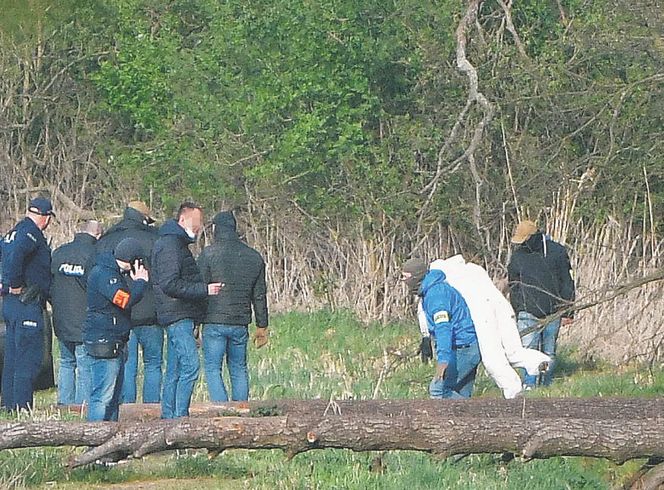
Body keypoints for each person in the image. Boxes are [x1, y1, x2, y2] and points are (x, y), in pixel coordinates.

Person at [418, 256, 551, 399]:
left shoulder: (438, 286)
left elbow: (434, 318)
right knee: (513, 350)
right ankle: (539, 362)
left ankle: (515, 394)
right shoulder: (473, 270)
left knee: (492, 360)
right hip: (501, 306)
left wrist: (427, 336)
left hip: (483, 317)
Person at [152, 203, 221, 418]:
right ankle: (180, 418)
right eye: (196, 223)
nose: (199, 228)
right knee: (191, 367)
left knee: (175, 369)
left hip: (179, 314)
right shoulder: (171, 246)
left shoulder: (175, 244)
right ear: (183, 220)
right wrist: (204, 290)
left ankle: (169, 418)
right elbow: (170, 283)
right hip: (177, 315)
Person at [198, 211, 269, 402]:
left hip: (214, 321)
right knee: (238, 368)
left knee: (213, 368)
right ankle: (241, 411)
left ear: (215, 229)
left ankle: (222, 412)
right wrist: (262, 325)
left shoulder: (208, 254)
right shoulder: (254, 257)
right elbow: (260, 295)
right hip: (240, 323)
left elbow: (200, 291)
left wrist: (196, 323)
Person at [96, 201, 162, 403]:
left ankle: (128, 409)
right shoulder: (156, 239)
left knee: (127, 363)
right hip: (151, 313)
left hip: (120, 312)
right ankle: (151, 408)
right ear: (144, 219)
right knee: (153, 363)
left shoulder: (106, 240)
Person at [84, 237, 148, 421]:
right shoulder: (105, 275)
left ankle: (110, 441)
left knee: (114, 399)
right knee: (102, 397)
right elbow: (124, 301)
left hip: (116, 341)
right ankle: (94, 439)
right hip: (105, 341)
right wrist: (140, 283)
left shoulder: (114, 273)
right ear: (133, 261)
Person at [1, 197, 54, 411]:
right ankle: (22, 408)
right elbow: (16, 256)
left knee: (13, 358)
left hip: (12, 304)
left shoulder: (12, 233)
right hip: (26, 302)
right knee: (27, 358)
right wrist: (13, 283)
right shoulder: (29, 234)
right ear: (45, 217)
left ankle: (9, 404)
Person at [508, 220, 575, 388]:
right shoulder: (517, 257)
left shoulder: (557, 252)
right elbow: (514, 286)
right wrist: (519, 309)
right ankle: (529, 385)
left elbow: (567, 282)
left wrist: (567, 311)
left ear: (533, 237)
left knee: (548, 353)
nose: (522, 244)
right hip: (526, 313)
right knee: (528, 352)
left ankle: (545, 384)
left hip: (554, 312)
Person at [402, 257, 480, 399]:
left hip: (463, 349)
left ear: (417, 276)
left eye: (405, 277)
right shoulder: (432, 289)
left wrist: (443, 361)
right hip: (469, 346)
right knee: (461, 394)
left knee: (438, 390)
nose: (403, 281)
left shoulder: (436, 295)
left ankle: (480, 415)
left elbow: (443, 328)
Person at [50, 220, 103, 405]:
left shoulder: (59, 253)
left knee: (66, 362)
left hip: (61, 319)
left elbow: (50, 285)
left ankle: (64, 404)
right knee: (84, 365)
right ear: (97, 235)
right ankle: (82, 406)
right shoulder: (94, 255)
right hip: (83, 320)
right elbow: (97, 289)